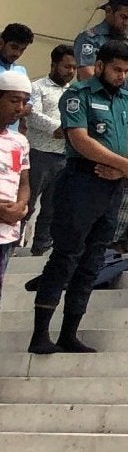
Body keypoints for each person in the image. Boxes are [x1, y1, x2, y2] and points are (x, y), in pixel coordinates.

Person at [25, 38, 128, 354]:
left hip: (111, 187)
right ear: (100, 66)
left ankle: (70, 332)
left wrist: (123, 169)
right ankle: (40, 334)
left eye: (126, 71)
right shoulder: (79, 96)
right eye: (116, 70)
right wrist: (125, 165)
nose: (121, 76)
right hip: (81, 182)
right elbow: (79, 139)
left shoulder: (124, 100)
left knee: (92, 261)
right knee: (66, 256)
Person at [25, 43, 74, 255]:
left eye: (74, 67)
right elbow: (32, 115)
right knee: (27, 203)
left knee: (52, 207)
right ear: (54, 65)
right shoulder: (37, 88)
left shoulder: (74, 91)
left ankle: (40, 248)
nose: (71, 71)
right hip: (39, 154)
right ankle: (12, 245)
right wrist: (58, 128)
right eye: (66, 67)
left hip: (63, 155)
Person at [0, 68, 32, 294]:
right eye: (14, 100)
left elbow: (24, 182)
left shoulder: (19, 141)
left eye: (24, 101)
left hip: (6, 233)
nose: (20, 107)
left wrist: (21, 206)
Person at [73, 0, 128, 78]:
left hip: (126, 92)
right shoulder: (90, 39)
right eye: (123, 17)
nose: (127, 23)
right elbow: (87, 73)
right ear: (109, 11)